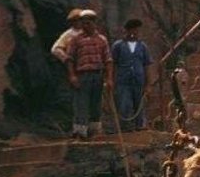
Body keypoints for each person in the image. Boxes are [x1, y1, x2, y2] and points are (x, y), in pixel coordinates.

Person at [65, 10, 112, 138]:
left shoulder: (102, 39)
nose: (86, 25)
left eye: (88, 23)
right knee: (81, 103)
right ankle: (80, 132)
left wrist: (109, 78)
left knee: (96, 104)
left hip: (98, 74)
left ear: (94, 23)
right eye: (83, 23)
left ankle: (94, 131)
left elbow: (108, 60)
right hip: (82, 75)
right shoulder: (75, 40)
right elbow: (69, 59)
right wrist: (72, 76)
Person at [111, 18, 151, 132]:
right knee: (124, 105)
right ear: (127, 31)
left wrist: (148, 84)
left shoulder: (142, 46)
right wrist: (111, 80)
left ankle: (140, 126)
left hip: (138, 80)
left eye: (137, 30)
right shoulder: (118, 45)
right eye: (132, 30)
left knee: (140, 104)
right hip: (123, 80)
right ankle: (126, 128)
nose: (135, 33)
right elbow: (113, 64)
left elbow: (147, 65)